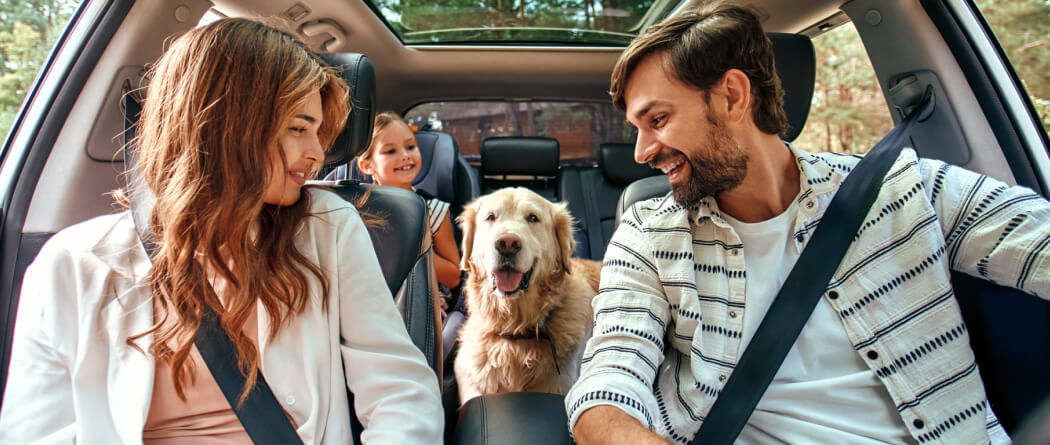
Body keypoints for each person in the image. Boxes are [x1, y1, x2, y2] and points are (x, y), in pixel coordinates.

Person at [566, 2, 1048, 444]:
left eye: (659, 120)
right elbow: (609, 379)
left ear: (732, 96)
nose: (641, 152)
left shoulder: (908, 189)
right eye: (639, 128)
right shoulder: (648, 235)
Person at [0, 18, 442, 444]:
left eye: (319, 133)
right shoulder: (72, 265)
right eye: (298, 129)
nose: (318, 153)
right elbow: (36, 433)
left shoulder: (326, 227)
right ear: (226, 126)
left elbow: (398, 388)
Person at [356, 112, 462, 319]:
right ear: (367, 165)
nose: (405, 155)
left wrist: (410, 246)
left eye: (410, 147)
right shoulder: (355, 211)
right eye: (390, 151)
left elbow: (453, 277)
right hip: (367, 301)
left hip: (420, 304)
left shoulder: (434, 211)